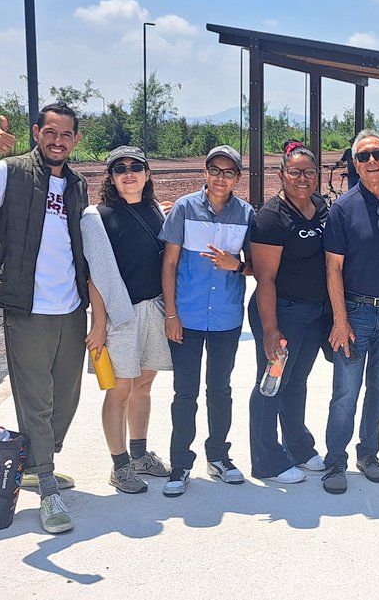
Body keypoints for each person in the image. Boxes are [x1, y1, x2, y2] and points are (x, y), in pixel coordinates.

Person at [0, 103, 88, 533]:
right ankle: (46, 486)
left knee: (65, 398)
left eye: (66, 134)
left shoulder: (78, 184)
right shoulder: (9, 171)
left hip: (71, 308)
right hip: (27, 309)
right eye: (50, 132)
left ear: (76, 140)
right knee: (35, 400)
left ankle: (35, 463)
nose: (57, 140)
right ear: (36, 133)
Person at [159, 145, 255, 497]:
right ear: (205, 172)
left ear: (237, 179)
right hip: (187, 315)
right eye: (215, 170)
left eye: (229, 172)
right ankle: (180, 464)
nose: (220, 178)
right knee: (185, 393)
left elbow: (257, 265)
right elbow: (168, 264)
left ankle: (218, 457)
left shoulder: (246, 214)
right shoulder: (184, 209)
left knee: (220, 390)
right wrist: (171, 314)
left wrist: (237, 265)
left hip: (227, 318)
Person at [82, 146, 172, 495]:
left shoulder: (156, 212)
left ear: (148, 174)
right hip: (121, 314)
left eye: (136, 166)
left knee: (145, 383)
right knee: (118, 390)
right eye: (120, 168)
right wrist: (99, 323)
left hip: (154, 309)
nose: (128, 173)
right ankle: (119, 465)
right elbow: (96, 275)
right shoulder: (97, 217)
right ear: (111, 177)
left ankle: (139, 454)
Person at [321, 129, 379, 494]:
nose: (372, 162)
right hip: (355, 313)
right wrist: (340, 320)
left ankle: (368, 454)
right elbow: (333, 269)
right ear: (355, 165)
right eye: (363, 157)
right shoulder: (343, 208)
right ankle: (334, 462)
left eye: (378, 155)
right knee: (345, 391)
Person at [247, 140, 329, 485]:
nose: (302, 178)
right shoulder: (271, 218)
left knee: (297, 382)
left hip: (313, 313)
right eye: (294, 172)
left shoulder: (321, 207)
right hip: (281, 313)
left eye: (308, 172)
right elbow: (264, 278)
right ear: (281, 174)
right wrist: (270, 330)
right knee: (271, 384)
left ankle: (299, 446)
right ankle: (266, 460)